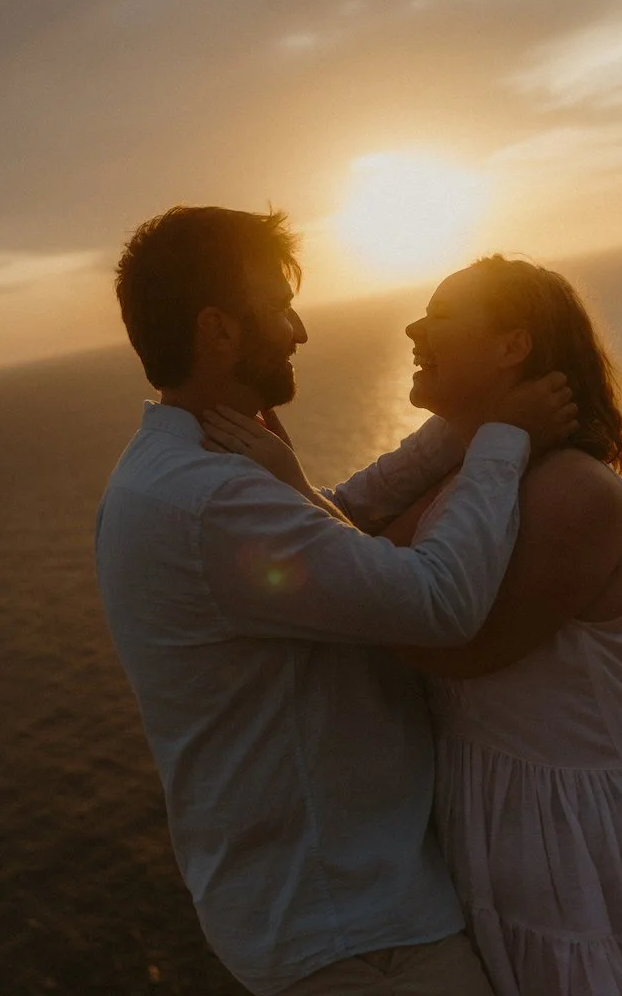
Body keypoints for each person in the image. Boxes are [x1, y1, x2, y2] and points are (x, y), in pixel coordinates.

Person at [208, 255, 622, 996]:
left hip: (592, 839)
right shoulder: (471, 479)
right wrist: (462, 439)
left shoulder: (570, 492)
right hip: (510, 822)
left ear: (513, 345)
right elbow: (374, 562)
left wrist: (291, 494)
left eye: (441, 315)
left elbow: (448, 641)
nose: (414, 329)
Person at [95, 205, 577, 996]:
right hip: (362, 938)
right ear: (219, 330)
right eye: (279, 306)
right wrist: (501, 440)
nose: (299, 330)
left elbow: (328, 527)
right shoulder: (212, 500)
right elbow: (439, 601)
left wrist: (458, 431)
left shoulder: (169, 472)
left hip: (310, 915)